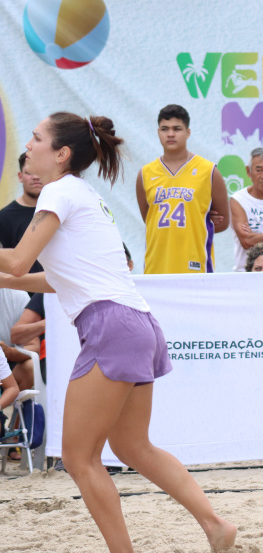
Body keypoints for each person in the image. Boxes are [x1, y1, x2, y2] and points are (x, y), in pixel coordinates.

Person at [1, 112, 235, 550]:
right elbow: (56, 278)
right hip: (137, 323)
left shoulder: (57, 192)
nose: (29, 145)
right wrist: (9, 278)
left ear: (61, 154)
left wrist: (10, 272)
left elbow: (16, 259)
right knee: (132, 446)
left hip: (110, 325)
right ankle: (216, 526)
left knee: (78, 457)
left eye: (36, 138)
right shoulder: (82, 193)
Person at [136, 104, 230, 274]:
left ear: (188, 132)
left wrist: (199, 220)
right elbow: (149, 218)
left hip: (195, 267)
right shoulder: (145, 174)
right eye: (165, 129)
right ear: (158, 132)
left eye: (177, 129)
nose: (170, 134)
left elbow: (223, 221)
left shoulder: (208, 171)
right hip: (156, 267)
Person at [0, 153, 47, 274]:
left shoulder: (58, 212)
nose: (36, 177)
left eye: (40, 172)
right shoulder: (4, 217)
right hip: (22, 290)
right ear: (20, 177)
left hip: (57, 290)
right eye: (29, 172)